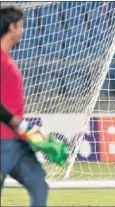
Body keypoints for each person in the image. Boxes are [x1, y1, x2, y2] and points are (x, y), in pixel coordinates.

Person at [0, 5, 67, 206]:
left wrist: (28, 130)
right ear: (12, 27)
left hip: (16, 141)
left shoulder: (8, 60)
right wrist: (16, 122)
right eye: (21, 26)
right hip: (3, 140)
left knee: (39, 185)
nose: (23, 31)